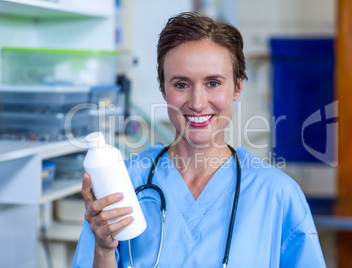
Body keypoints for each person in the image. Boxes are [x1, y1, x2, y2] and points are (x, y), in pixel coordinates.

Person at [72, 12, 326, 268]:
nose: (197, 103)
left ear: (237, 87)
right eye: (181, 85)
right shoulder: (121, 186)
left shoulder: (277, 194)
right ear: (163, 89)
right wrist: (104, 250)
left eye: (213, 83)